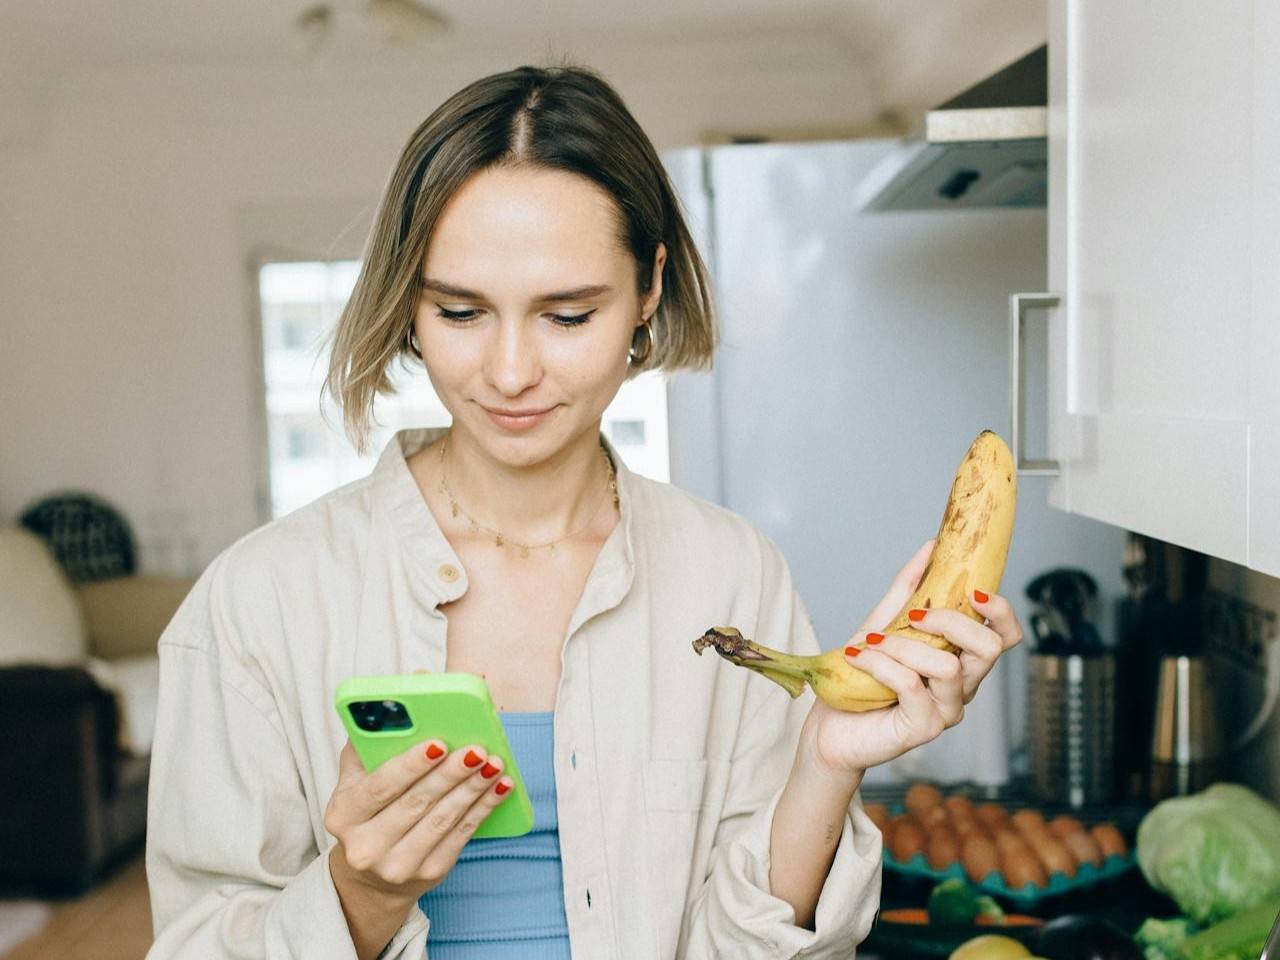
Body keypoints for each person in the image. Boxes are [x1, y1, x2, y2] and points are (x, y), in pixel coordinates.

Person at [144, 61, 1024, 960]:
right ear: (409, 305)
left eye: (567, 316)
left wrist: (826, 762)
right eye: (460, 311)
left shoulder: (729, 571)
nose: (512, 370)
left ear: (648, 289)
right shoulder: (258, 601)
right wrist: (359, 894)